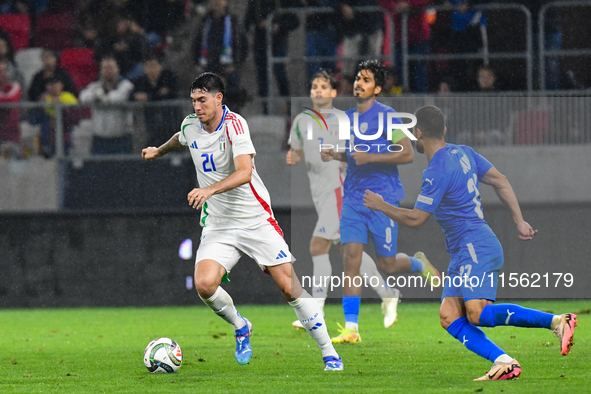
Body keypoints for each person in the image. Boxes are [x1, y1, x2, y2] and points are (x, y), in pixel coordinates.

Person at [141, 72, 344, 372]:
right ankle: (240, 325)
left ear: (218, 98)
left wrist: (208, 189)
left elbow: (244, 172)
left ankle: (330, 354)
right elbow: (180, 139)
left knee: (289, 288)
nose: (197, 106)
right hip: (219, 223)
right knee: (204, 284)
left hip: (254, 219)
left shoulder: (235, 125)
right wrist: (159, 150)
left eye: (203, 100)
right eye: (194, 100)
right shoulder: (189, 125)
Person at [363, 105, 578, 380]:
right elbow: (500, 180)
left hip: (474, 247)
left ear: (418, 133)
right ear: (444, 130)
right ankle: (503, 361)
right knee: (449, 316)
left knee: (477, 313)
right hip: (466, 249)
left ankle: (557, 322)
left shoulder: (436, 171)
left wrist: (382, 206)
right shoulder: (463, 152)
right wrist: (519, 221)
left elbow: (416, 219)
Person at [320, 60, 440, 343]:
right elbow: (353, 154)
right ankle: (352, 328)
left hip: (382, 201)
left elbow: (408, 154)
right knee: (351, 260)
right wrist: (335, 154)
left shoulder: (388, 117)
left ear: (377, 88)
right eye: (358, 79)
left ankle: (419, 264)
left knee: (387, 264)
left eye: (366, 80)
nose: (358, 84)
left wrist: (371, 157)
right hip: (353, 199)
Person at [287, 69, 401, 330]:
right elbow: (296, 148)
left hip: (339, 192)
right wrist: (293, 156)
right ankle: (387, 293)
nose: (318, 90)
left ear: (334, 92)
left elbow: (357, 150)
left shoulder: (343, 120)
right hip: (321, 194)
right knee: (350, 253)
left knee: (318, 246)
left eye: (324, 86)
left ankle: (316, 312)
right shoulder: (302, 120)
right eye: (314, 86)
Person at [79, 56, 134, 155]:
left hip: (121, 138)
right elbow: (83, 97)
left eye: (111, 68)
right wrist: (99, 96)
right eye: (105, 68)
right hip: (99, 139)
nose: (108, 71)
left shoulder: (126, 85)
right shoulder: (95, 86)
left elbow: (117, 98)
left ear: (117, 69)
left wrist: (99, 97)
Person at [131, 53, 181, 147]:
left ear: (160, 66)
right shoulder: (141, 81)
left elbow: (172, 94)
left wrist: (149, 97)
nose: (151, 70)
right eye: (148, 66)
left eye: (154, 66)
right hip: (151, 125)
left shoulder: (169, 77)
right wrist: (158, 94)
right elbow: (133, 95)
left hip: (171, 122)